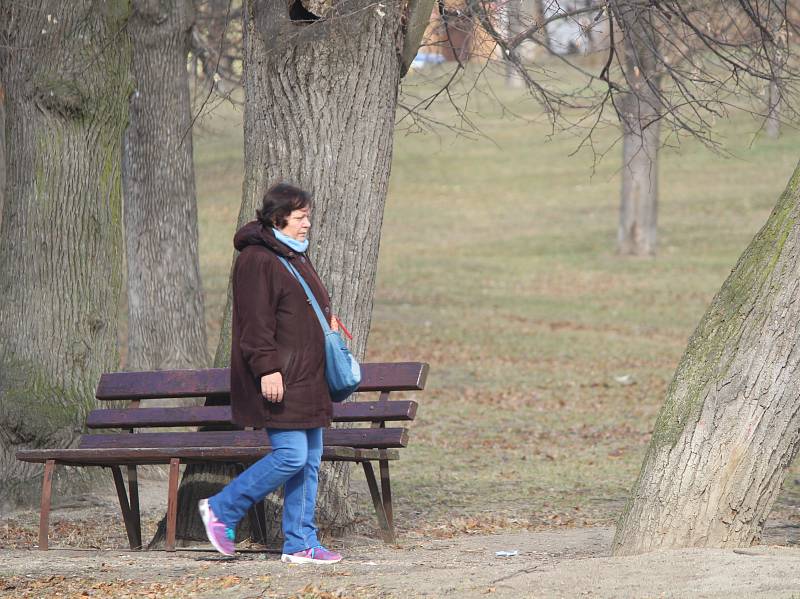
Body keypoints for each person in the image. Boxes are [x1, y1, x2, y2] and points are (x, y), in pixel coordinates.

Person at [198, 182, 343, 564]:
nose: (307, 223)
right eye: (300, 217)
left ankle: (300, 542)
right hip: (283, 378)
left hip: (309, 377)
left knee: (309, 459)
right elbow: (254, 323)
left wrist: (326, 320)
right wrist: (267, 369)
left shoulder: (295, 255)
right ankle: (221, 508)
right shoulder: (257, 260)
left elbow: (301, 306)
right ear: (278, 219)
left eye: (308, 216)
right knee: (292, 456)